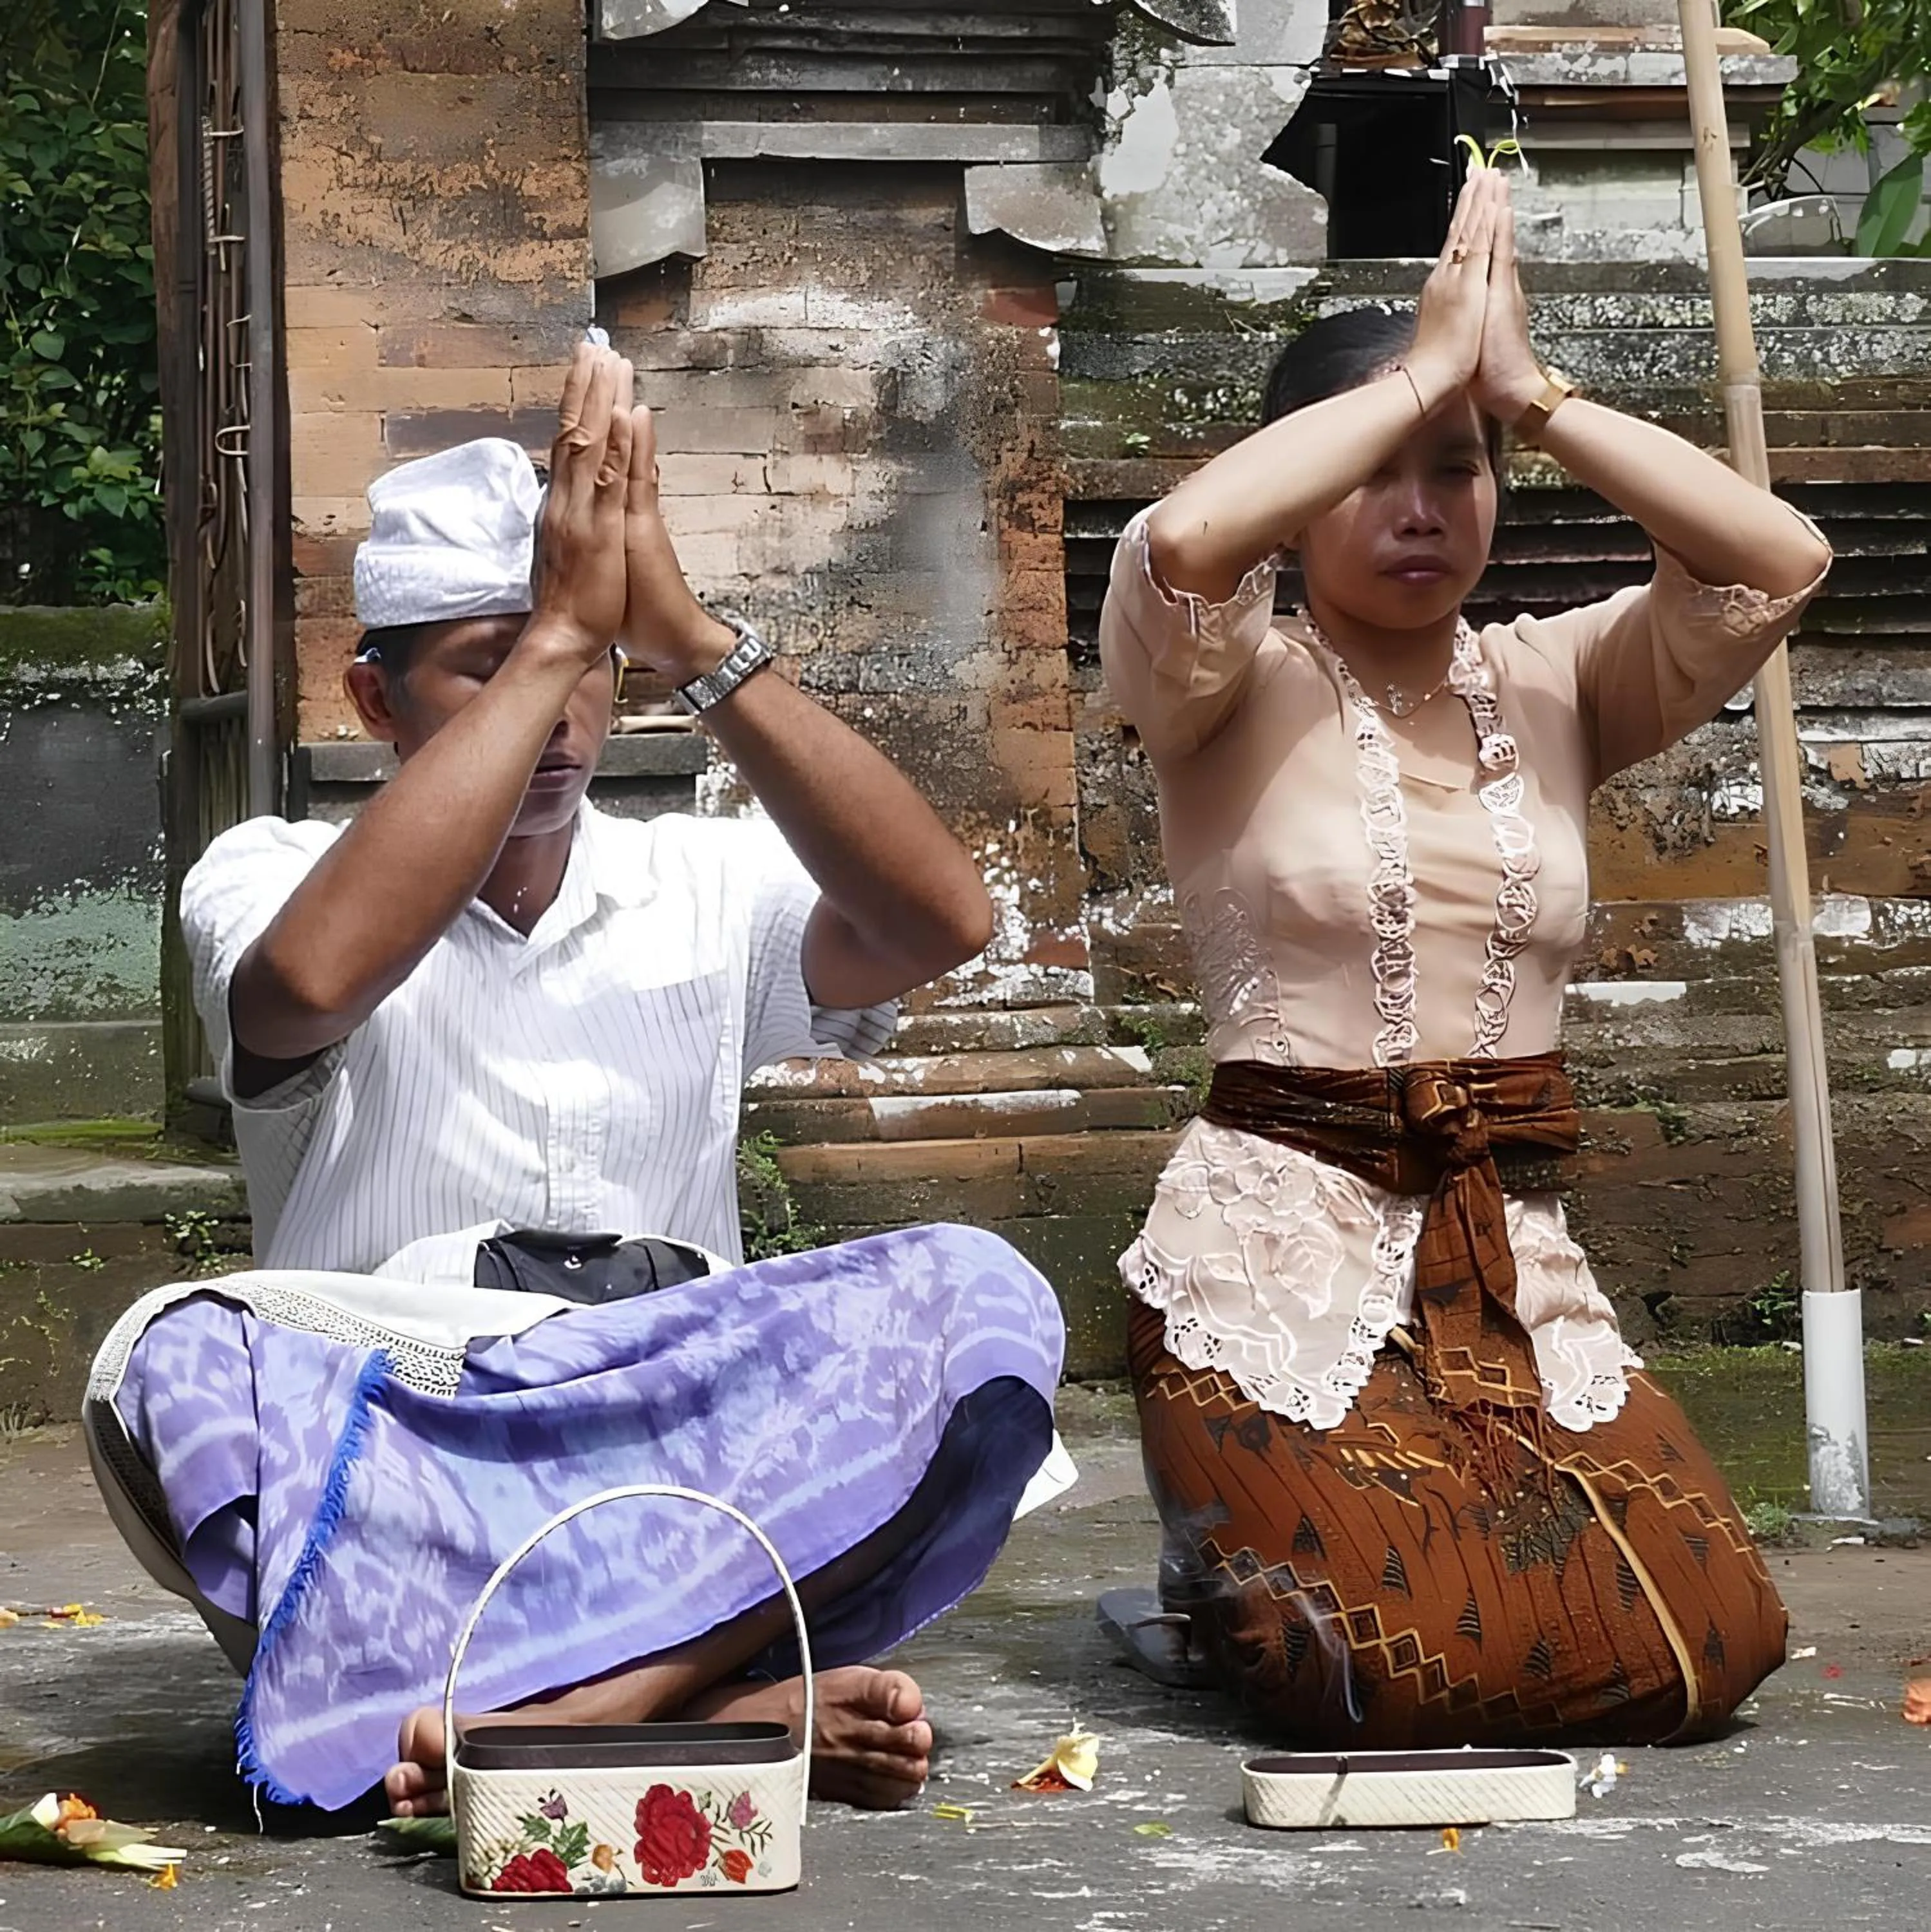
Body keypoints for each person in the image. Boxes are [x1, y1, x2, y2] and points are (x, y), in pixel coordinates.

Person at [84, 344, 1067, 1824]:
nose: (557, 715)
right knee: (172, 1359)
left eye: (590, 674)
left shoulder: (705, 874)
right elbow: (308, 988)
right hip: (413, 1457)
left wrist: (686, 633)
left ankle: (599, 1704)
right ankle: (717, 1698)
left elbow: (943, 924)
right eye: (487, 665)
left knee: (981, 1293)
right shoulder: (271, 870)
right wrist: (561, 628)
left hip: (680, 1466)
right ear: (375, 698)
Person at [1098, 170, 1829, 1747]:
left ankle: (1225, 1572)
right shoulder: (1217, 675)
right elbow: (1179, 537)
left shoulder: (1554, 675)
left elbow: (1778, 562)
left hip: (1499, 1251)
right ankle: (1214, 1569)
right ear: (1301, 489)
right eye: (1375, 470)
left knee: (1704, 1644)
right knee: (1357, 1673)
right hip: (1264, 1257)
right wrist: (1419, 376)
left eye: (1457, 468)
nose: (1419, 507)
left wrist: (1528, 391)